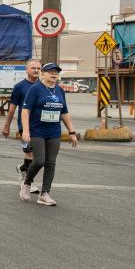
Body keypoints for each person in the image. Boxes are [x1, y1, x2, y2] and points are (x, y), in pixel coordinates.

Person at [20, 63, 78, 205]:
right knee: (39, 160)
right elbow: (25, 110)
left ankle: (44, 194)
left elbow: (64, 112)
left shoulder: (59, 91)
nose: (54, 74)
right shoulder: (35, 89)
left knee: (51, 163)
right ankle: (27, 183)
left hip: (54, 132)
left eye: (56, 72)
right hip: (37, 131)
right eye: (50, 71)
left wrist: (72, 132)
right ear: (43, 74)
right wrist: (26, 130)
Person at [3, 59, 41, 187]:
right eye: (33, 68)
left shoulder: (43, 85)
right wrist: (7, 125)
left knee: (38, 156)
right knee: (29, 152)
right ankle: (29, 183)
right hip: (24, 126)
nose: (36, 70)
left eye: (38, 68)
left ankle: (23, 168)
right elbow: (12, 108)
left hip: (39, 126)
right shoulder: (19, 87)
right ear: (26, 70)